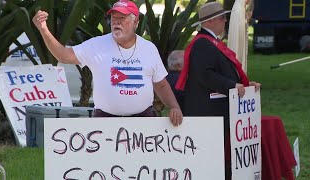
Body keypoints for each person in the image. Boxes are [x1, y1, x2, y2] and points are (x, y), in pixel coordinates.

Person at [32, 0, 182, 126]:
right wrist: (43, 29)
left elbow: (160, 84)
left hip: (142, 120)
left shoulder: (149, 49)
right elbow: (63, 56)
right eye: (114, 18)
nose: (116, 22)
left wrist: (174, 107)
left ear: (136, 21)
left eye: (122, 18)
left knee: (141, 162)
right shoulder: (96, 45)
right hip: (105, 120)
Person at [175, 1, 261, 179]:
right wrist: (231, 85)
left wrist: (244, 84)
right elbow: (205, 75)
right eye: (222, 18)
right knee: (207, 153)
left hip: (214, 109)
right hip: (207, 110)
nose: (225, 21)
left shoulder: (210, 43)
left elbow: (219, 72)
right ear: (208, 22)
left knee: (214, 151)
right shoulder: (202, 44)